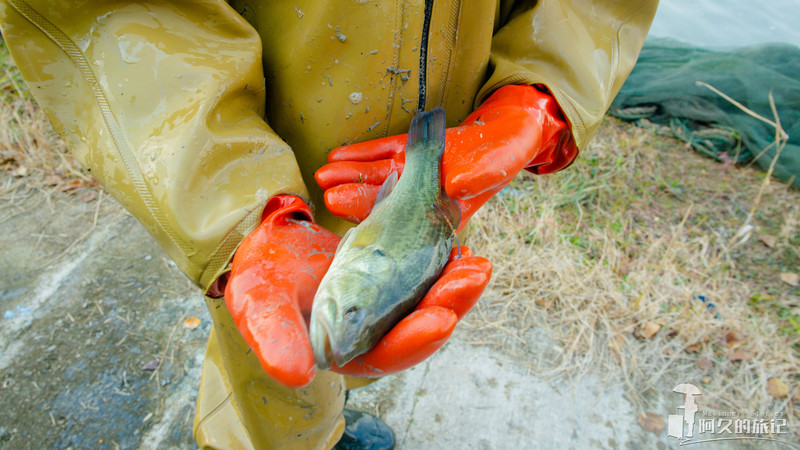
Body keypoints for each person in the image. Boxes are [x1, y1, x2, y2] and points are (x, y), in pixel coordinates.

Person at [0, 0, 658, 448]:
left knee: (334, 351)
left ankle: (325, 430)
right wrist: (237, 200)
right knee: (270, 341)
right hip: (268, 124)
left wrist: (538, 95)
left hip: (453, 143)